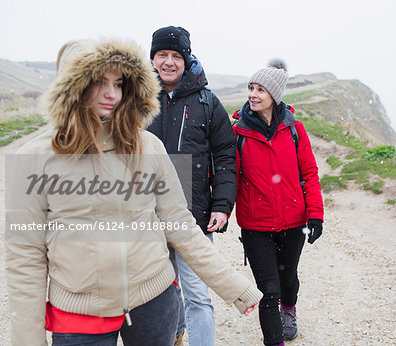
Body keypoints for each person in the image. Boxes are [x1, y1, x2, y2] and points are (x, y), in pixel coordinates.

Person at [5, 38, 262, 346]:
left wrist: (234, 285)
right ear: (71, 85)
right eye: (98, 82)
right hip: (80, 315)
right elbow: (25, 257)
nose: (112, 94)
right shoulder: (34, 157)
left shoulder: (148, 146)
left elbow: (180, 225)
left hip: (154, 303)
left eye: (119, 82)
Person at [147, 26, 236, 346]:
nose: (169, 62)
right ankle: (175, 335)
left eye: (176, 55)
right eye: (162, 55)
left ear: (186, 59)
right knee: (161, 294)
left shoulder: (207, 102)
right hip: (148, 219)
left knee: (198, 295)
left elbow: (226, 155)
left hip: (194, 218)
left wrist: (223, 206)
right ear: (152, 58)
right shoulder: (136, 101)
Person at [233, 59, 324, 346]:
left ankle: (290, 310)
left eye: (260, 89)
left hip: (293, 222)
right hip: (255, 225)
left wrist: (316, 214)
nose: (253, 94)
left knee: (288, 281)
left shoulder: (295, 130)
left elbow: (309, 174)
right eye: (251, 88)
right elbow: (228, 177)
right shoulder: (238, 134)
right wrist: (219, 210)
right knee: (267, 291)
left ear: (275, 95)